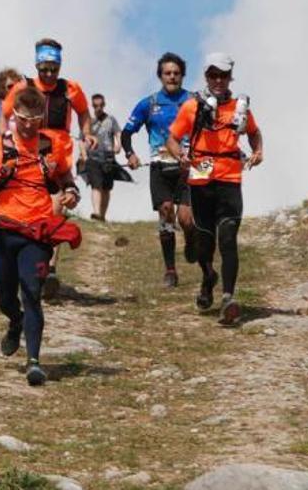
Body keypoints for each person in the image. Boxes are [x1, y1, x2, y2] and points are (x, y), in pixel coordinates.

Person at [0, 86, 81, 386]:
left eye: (34, 119)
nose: (29, 125)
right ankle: (14, 321)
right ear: (14, 116)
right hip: (4, 231)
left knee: (31, 292)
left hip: (38, 232)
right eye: (23, 119)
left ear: (42, 116)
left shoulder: (51, 146)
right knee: (6, 298)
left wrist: (71, 192)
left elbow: (65, 178)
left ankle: (34, 361)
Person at [166, 52, 264, 325]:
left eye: (223, 75)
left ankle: (228, 298)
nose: (218, 80)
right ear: (206, 77)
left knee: (228, 238)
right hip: (201, 174)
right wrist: (179, 156)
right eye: (213, 75)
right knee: (205, 241)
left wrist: (258, 151)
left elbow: (254, 132)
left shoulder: (239, 107)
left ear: (230, 76)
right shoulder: (192, 107)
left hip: (230, 177)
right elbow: (173, 139)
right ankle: (208, 276)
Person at [0, 38, 97, 298]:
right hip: (30, 151)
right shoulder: (24, 87)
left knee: (55, 209)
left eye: (54, 68)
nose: (50, 74)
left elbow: (84, 113)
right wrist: (5, 142)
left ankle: (49, 268)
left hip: (59, 155)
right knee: (30, 209)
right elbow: (4, 113)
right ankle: (30, 265)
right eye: (45, 68)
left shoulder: (71, 89)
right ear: (37, 65)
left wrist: (86, 133)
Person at [121, 52, 195, 287]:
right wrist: (130, 153)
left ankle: (192, 242)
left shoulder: (194, 101)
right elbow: (126, 133)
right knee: (165, 212)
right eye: (167, 73)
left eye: (176, 73)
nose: (172, 77)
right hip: (159, 167)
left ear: (182, 75)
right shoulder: (149, 104)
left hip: (188, 168)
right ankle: (170, 270)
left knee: (185, 218)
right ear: (160, 76)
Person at [79, 93, 124, 221]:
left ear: (103, 105)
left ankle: (102, 215)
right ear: (92, 106)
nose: (98, 108)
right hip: (93, 157)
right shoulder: (88, 122)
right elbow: (81, 140)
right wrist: (84, 156)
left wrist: (119, 145)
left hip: (108, 157)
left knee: (106, 188)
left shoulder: (111, 120)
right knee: (96, 185)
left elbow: (118, 133)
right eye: (95, 105)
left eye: (100, 105)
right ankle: (96, 213)